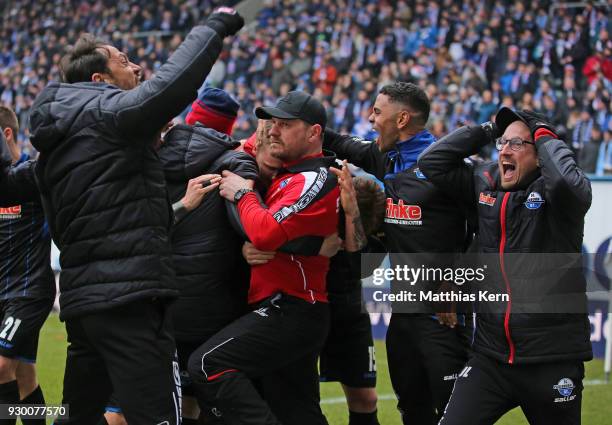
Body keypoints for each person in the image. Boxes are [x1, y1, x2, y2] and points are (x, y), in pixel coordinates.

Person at [25, 8, 245, 425]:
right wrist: (214, 26)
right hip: (132, 299)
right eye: (124, 61)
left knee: (78, 414)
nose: (137, 66)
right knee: (158, 415)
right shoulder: (109, 115)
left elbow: (115, 213)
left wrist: (177, 208)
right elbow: (169, 87)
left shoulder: (58, 142)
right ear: (99, 81)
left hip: (84, 302)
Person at [418, 107, 592, 425]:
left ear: (541, 156)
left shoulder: (560, 199)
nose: (505, 151)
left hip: (550, 360)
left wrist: (544, 132)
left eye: (517, 144)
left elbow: (567, 182)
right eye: (502, 143)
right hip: (491, 358)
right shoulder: (486, 185)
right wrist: (489, 128)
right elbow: (432, 162)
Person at [323, 82, 472, 425]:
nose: (371, 119)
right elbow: (339, 141)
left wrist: (453, 286)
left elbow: (483, 229)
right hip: (403, 314)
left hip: (444, 315)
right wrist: (300, 120)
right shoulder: (384, 156)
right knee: (412, 411)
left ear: (402, 118)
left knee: (455, 415)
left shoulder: (448, 168)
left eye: (377, 112)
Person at [187, 91, 339, 425]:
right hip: (282, 305)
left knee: (207, 364)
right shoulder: (285, 173)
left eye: (285, 125)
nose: (274, 131)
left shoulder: (314, 178)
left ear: (314, 133)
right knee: (297, 411)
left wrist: (243, 192)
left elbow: (266, 232)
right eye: (271, 124)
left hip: (293, 307)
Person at [0, 107, 54, 425]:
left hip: (27, 290)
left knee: (2, 366)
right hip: (4, 292)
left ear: (7, 134)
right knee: (24, 376)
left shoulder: (33, 176)